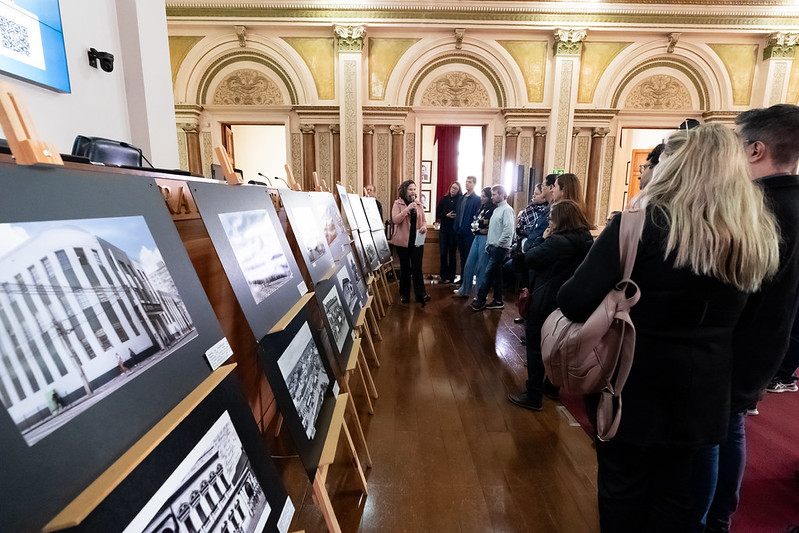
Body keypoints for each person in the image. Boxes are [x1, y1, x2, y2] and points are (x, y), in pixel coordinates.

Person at [556, 124, 779, 532]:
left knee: (623, 495)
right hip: (706, 395)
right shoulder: (755, 234)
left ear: (677, 166)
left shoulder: (638, 224)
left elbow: (573, 300)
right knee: (679, 506)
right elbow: (759, 328)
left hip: (631, 387)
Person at [705, 104, 799, 533]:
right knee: (731, 428)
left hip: (733, 346)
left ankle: (713, 519)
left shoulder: (758, 209)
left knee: (718, 436)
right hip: (769, 345)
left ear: (756, 149)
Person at [508, 200, 593, 411]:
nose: (549, 222)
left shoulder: (556, 242)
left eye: (551, 218)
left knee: (535, 344)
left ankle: (533, 395)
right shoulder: (586, 239)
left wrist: (540, 239)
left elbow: (527, 259)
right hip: (569, 299)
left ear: (561, 219)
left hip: (545, 297)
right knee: (559, 345)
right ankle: (552, 387)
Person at [471, 185, 515, 311]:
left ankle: (480, 300)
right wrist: (488, 243)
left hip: (499, 247)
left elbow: (508, 230)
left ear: (502, 195)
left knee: (488, 274)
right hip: (492, 246)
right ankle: (498, 300)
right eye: (491, 194)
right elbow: (492, 230)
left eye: (494, 194)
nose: (492, 197)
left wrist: (499, 243)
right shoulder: (497, 210)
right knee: (496, 275)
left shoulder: (507, 210)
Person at [390, 180, 429, 305]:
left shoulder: (418, 204)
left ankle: (421, 294)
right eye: (410, 189)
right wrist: (407, 209)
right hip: (403, 242)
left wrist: (424, 227)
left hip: (417, 241)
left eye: (414, 189)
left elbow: (424, 221)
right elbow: (395, 220)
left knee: (417, 268)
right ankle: (404, 295)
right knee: (405, 268)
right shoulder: (398, 203)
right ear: (405, 190)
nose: (413, 192)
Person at [453, 187, 494, 298]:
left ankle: (480, 295)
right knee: (469, 264)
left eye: (484, 196)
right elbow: (477, 221)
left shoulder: (493, 209)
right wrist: (480, 224)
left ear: (489, 197)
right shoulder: (482, 208)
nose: (481, 198)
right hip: (476, 236)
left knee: (481, 267)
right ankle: (465, 289)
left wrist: (482, 224)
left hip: (485, 238)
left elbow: (487, 224)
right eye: (481, 196)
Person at [454, 176, 482, 283]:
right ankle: (462, 278)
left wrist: (471, 229)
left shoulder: (477, 199)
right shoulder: (461, 198)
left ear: (474, 184)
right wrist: (456, 227)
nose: (467, 184)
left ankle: (468, 279)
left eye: (470, 182)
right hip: (459, 231)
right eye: (466, 181)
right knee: (462, 256)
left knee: (468, 257)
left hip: (469, 233)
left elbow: (476, 216)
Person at [436, 181, 462, 284]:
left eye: (456, 188)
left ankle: (451, 276)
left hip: (454, 230)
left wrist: (456, 216)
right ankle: (443, 276)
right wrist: (446, 215)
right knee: (443, 253)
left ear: (458, 190)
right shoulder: (444, 199)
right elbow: (438, 214)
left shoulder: (460, 200)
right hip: (444, 229)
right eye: (452, 187)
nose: (453, 190)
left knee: (452, 254)